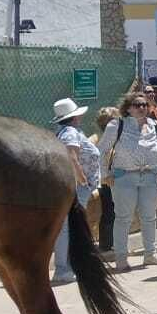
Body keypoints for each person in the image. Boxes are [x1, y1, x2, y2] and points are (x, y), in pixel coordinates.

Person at [97, 90, 157, 271]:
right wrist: (105, 175)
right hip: (124, 177)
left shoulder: (155, 125)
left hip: (150, 177)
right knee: (123, 218)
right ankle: (121, 258)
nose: (142, 108)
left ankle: (150, 254)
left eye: (145, 105)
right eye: (137, 105)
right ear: (128, 108)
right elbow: (101, 151)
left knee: (149, 217)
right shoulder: (116, 126)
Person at [50, 98, 103, 285]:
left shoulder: (66, 132)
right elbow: (71, 157)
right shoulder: (71, 133)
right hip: (76, 187)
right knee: (68, 227)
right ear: (74, 117)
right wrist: (82, 179)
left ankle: (66, 267)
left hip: (74, 187)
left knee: (68, 227)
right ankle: (63, 268)